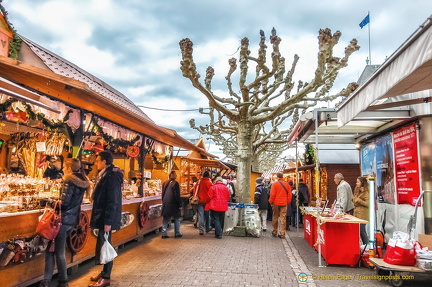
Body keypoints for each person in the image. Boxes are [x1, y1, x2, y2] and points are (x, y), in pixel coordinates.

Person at [40, 158, 90, 287]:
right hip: (71, 220)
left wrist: (48, 201)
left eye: (64, 167)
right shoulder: (83, 181)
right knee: (52, 250)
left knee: (57, 252)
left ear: (69, 168)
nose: (62, 169)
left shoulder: (69, 180)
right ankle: (47, 281)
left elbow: (65, 203)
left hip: (61, 221)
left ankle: (62, 281)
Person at [89, 150, 123, 287]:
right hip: (103, 216)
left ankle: (106, 277)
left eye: (98, 160)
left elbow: (112, 200)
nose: (96, 163)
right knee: (103, 244)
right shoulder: (105, 175)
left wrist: (108, 221)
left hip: (106, 217)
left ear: (104, 161)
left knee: (106, 244)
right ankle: (104, 273)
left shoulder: (111, 176)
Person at [269, 172, 292, 238]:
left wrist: (271, 202)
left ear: (277, 177)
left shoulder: (274, 184)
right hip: (284, 203)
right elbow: (289, 195)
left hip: (276, 202)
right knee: (283, 218)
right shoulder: (287, 184)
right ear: (283, 177)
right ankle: (282, 233)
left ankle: (274, 231)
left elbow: (272, 194)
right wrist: (287, 202)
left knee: (275, 217)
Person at [161, 170, 182, 238]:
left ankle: (164, 233)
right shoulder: (175, 184)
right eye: (175, 174)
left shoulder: (165, 183)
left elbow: (163, 194)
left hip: (166, 203)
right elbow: (177, 195)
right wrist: (179, 204)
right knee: (176, 218)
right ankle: (177, 232)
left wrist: (163, 202)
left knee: (166, 218)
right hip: (173, 203)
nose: (176, 175)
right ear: (172, 175)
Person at [195, 171, 213, 235]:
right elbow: (212, 192)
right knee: (207, 215)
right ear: (208, 176)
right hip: (207, 202)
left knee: (201, 215)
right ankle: (207, 228)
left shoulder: (199, 182)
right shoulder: (210, 183)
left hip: (200, 201)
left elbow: (195, 190)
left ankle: (201, 230)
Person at [353, 176, 369, 245]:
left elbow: (368, 204)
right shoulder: (357, 190)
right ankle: (363, 246)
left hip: (362, 214)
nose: (356, 183)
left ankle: (367, 245)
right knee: (358, 231)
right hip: (357, 213)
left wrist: (358, 200)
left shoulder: (366, 192)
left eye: (358, 182)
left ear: (362, 183)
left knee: (362, 231)